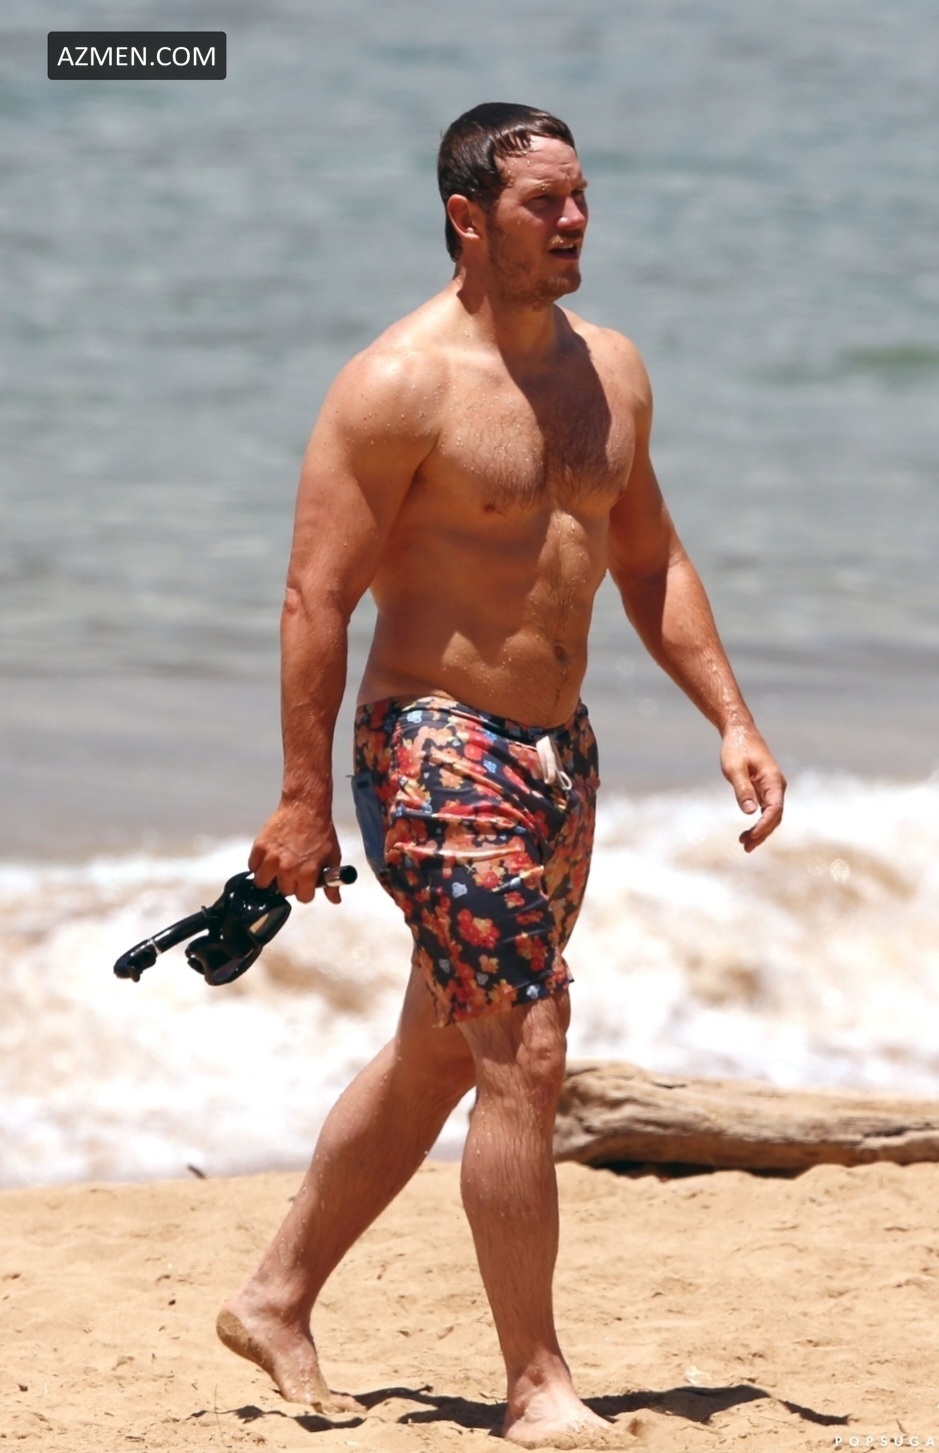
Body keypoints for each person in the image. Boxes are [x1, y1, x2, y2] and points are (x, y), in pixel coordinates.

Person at [216, 102, 786, 1448]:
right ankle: (538, 1384)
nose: (576, 220)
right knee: (524, 1043)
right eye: (546, 202)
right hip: (432, 742)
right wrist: (301, 795)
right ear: (467, 219)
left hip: (557, 753)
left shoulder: (613, 372)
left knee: (444, 1049)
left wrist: (731, 718)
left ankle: (275, 1296)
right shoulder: (396, 385)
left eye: (581, 195)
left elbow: (649, 557)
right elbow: (315, 597)